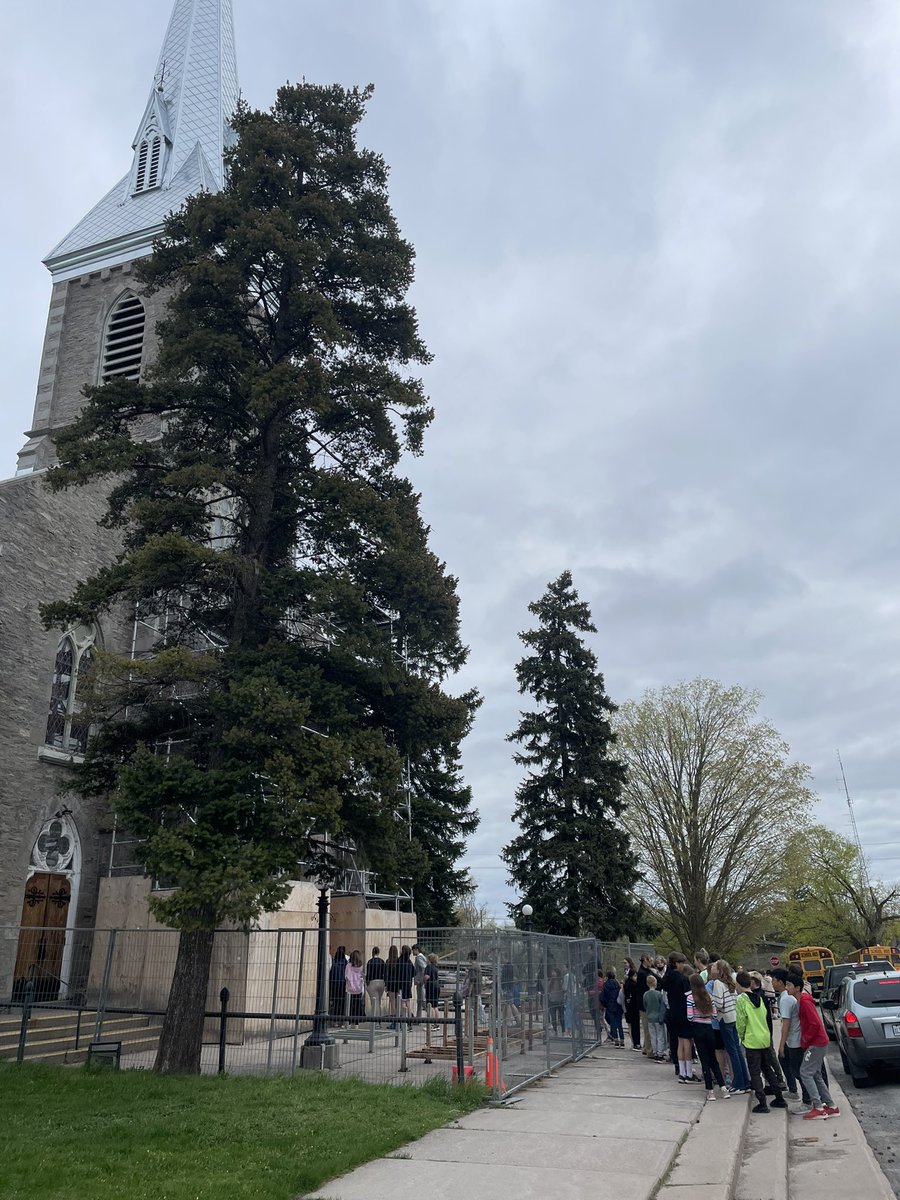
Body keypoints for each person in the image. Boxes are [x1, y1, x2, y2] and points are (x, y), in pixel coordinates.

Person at [785, 974, 839, 1120]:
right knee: (815, 1074)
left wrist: (805, 1040)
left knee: (805, 1073)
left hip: (816, 1043)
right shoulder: (802, 1000)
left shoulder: (804, 1002)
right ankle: (831, 1105)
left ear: (797, 988)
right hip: (818, 1042)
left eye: (789, 985)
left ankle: (819, 1107)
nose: (786, 987)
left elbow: (815, 1024)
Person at [735, 971, 787, 1114]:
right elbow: (765, 1016)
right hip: (764, 1037)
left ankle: (762, 1102)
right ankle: (779, 1097)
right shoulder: (759, 998)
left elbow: (741, 1021)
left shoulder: (741, 1000)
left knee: (755, 1072)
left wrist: (742, 1037)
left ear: (738, 984)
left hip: (752, 1040)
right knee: (767, 1068)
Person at [710, 959, 751, 1094]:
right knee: (737, 1051)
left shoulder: (717, 983)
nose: (712, 967)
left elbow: (719, 1003)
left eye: (715, 966)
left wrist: (712, 1004)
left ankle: (738, 1083)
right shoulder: (731, 983)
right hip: (733, 1017)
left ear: (719, 970)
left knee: (732, 1051)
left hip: (725, 1018)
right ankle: (745, 1081)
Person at [687, 973, 726, 1099]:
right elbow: (714, 1014)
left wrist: (697, 1016)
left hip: (698, 1028)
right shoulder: (708, 996)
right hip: (709, 1028)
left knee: (704, 1060)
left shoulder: (690, 998)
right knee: (713, 1059)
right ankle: (723, 1087)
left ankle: (710, 1090)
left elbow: (690, 1016)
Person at [772, 968, 806, 1103]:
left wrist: (781, 1044)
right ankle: (794, 1090)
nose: (772, 983)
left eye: (774, 980)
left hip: (793, 1039)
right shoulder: (786, 997)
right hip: (793, 1038)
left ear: (780, 982)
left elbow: (786, 1023)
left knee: (796, 1069)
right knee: (786, 1062)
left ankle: (804, 1096)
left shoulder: (786, 999)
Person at [662, 952, 694, 1080]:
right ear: (676, 963)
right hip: (684, 1013)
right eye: (681, 963)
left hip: (673, 1013)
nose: (683, 966)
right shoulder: (683, 979)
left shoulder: (667, 978)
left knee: (679, 1042)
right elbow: (689, 998)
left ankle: (681, 1071)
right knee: (687, 1043)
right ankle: (689, 1072)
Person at [643, 973, 667, 1061]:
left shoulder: (645, 994)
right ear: (655, 983)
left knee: (653, 1036)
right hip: (658, 1017)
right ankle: (660, 1053)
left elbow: (645, 1005)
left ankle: (655, 1051)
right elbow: (662, 1005)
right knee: (660, 1035)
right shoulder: (659, 994)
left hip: (649, 1017)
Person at [623, 962, 642, 1051]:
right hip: (634, 1008)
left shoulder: (626, 983)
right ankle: (637, 1043)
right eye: (635, 976)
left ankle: (634, 1042)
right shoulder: (633, 985)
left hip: (629, 1007)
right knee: (635, 1026)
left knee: (632, 1025)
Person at [602, 969, 624, 1045]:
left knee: (613, 1023)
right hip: (618, 1005)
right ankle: (622, 1039)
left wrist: (605, 1004)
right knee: (619, 1023)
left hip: (610, 1005)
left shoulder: (605, 985)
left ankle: (616, 1039)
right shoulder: (617, 984)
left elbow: (603, 996)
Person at [637, 955, 653, 1057]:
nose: (651, 962)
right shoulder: (643, 974)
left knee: (647, 1027)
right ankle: (649, 1050)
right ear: (645, 961)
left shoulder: (646, 972)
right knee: (647, 1029)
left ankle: (644, 1047)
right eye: (650, 960)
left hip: (644, 1003)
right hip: (644, 1005)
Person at [365, 946, 386, 1022]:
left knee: (374, 1002)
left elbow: (368, 974)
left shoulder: (370, 962)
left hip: (372, 982)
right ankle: (379, 1018)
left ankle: (375, 1020)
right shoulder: (382, 961)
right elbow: (385, 973)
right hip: (381, 982)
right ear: (378, 952)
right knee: (379, 1001)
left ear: (372, 952)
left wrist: (367, 983)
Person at [500, 957, 522, 1028]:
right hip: (509, 986)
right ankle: (518, 1020)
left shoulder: (507, 967)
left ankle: (508, 1022)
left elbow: (505, 978)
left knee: (508, 1004)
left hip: (507, 987)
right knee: (510, 1004)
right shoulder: (509, 966)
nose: (501, 960)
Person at [345, 950, 365, 1025]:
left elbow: (346, 976)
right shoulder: (361, 966)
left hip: (350, 989)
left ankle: (349, 1022)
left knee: (350, 1006)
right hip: (358, 988)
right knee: (357, 1006)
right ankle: (357, 1023)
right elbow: (362, 976)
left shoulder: (348, 966)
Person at [329, 945, 347, 1020]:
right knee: (343, 1003)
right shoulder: (346, 964)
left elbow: (331, 975)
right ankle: (342, 1019)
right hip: (343, 986)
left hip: (335, 986)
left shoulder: (334, 963)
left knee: (336, 1003)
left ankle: (335, 1019)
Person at [385, 945, 401, 1029]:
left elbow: (387, 974)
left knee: (392, 1003)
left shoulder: (388, 961)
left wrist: (386, 985)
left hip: (391, 983)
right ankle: (399, 1020)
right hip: (398, 983)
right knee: (398, 1002)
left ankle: (393, 1021)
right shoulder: (399, 961)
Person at [397, 945, 415, 1020]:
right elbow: (414, 973)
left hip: (401, 984)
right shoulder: (409, 962)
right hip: (408, 984)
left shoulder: (399, 961)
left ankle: (404, 1020)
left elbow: (396, 973)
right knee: (408, 1002)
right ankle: (409, 1018)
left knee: (402, 1002)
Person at [424, 953, 442, 1027]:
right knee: (435, 1005)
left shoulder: (428, 967)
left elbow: (426, 977)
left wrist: (423, 981)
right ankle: (436, 1023)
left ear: (429, 960)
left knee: (429, 1005)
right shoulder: (435, 967)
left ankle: (430, 1022)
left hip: (430, 987)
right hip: (437, 986)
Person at [548, 968, 566, 1035]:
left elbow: (564, 989)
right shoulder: (551, 982)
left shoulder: (561, 981)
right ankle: (555, 1030)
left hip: (560, 1001)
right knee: (553, 1017)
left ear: (557, 973)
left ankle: (563, 1031)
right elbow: (548, 990)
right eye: (552, 972)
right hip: (552, 1001)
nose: (552, 973)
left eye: (554, 972)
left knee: (561, 1017)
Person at [412, 944, 428, 1017]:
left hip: (420, 981)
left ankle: (430, 1014)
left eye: (413, 950)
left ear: (416, 950)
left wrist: (422, 978)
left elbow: (424, 968)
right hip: (420, 981)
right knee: (419, 1000)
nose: (412, 952)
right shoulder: (422, 957)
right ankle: (418, 1018)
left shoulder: (419, 958)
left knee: (421, 1000)